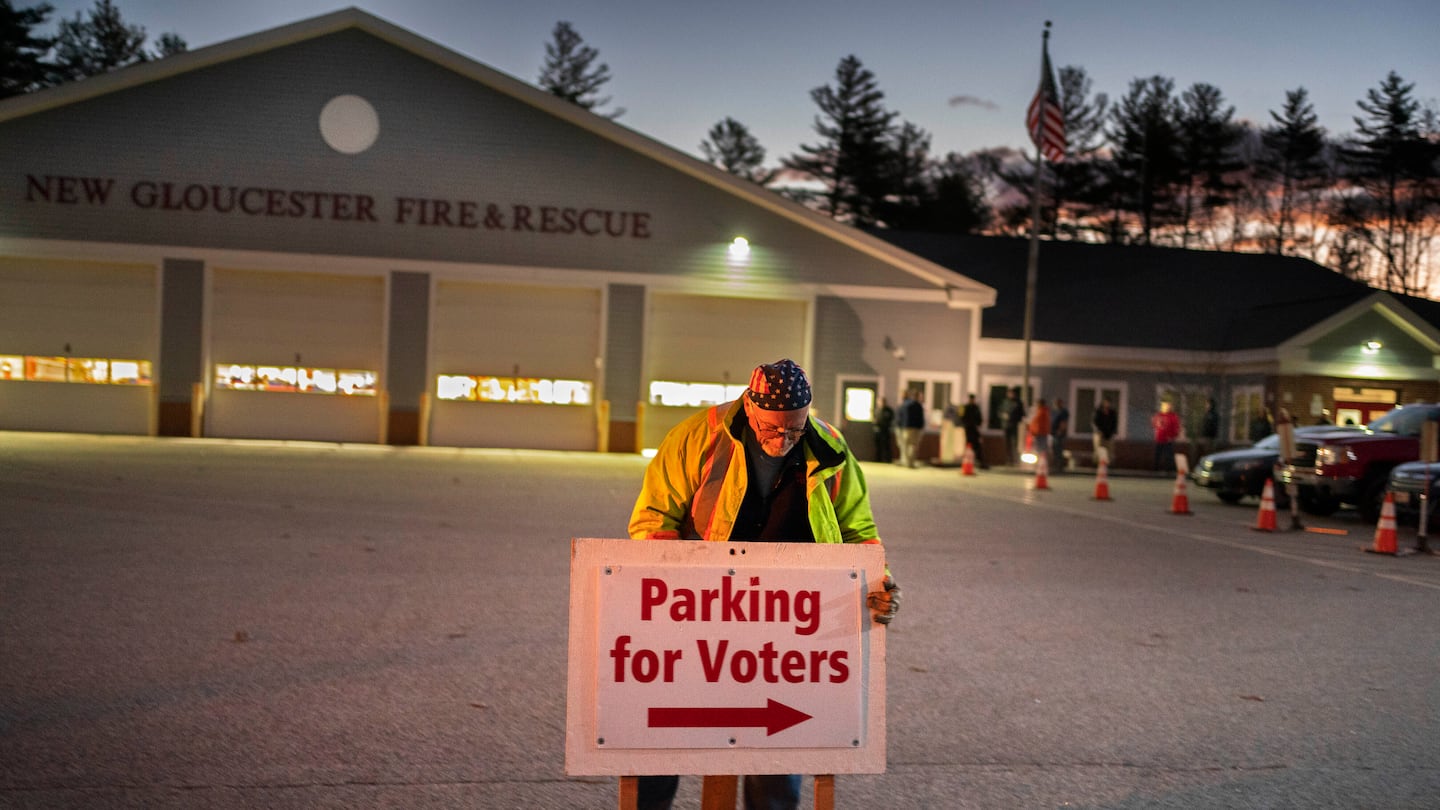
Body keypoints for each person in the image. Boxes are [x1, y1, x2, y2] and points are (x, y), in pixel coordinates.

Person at [628, 359, 901, 810]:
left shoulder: (829, 446)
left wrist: (881, 578)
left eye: (795, 430)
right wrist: (679, 588)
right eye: (773, 429)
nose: (784, 441)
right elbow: (653, 519)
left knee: (776, 744)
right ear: (750, 408)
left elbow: (858, 530)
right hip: (699, 608)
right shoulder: (698, 437)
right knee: (664, 733)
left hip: (784, 616)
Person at [897, 388, 926, 468]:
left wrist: (901, 426)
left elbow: (901, 417)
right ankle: (910, 462)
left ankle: (906, 461)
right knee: (913, 445)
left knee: (905, 445)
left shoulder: (905, 404)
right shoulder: (918, 406)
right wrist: (921, 427)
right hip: (915, 428)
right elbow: (921, 418)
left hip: (906, 428)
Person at [1152, 400, 1181, 472]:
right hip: (1159, 439)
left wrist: (1173, 436)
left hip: (1168, 439)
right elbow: (1154, 424)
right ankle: (1156, 469)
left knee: (1168, 456)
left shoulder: (1173, 416)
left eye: (1167, 405)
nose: (1165, 407)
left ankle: (1169, 470)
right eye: (1164, 405)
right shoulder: (1159, 415)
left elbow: (1176, 427)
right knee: (1157, 455)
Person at [960, 393, 988, 469]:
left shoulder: (976, 408)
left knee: (977, 446)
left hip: (974, 430)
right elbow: (962, 418)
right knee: (969, 446)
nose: (972, 400)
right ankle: (968, 462)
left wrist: (977, 424)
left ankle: (980, 462)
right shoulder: (965, 407)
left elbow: (979, 419)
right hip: (968, 430)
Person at [1003, 386, 1026, 465]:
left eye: (1012, 393)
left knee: (1015, 443)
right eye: (1009, 393)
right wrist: (1003, 416)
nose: (1010, 394)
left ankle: (1016, 460)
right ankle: (1008, 460)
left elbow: (1022, 414)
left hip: (1014, 425)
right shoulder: (1005, 402)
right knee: (1007, 443)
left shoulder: (1018, 402)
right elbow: (1000, 411)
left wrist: (1013, 417)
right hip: (1006, 426)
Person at [1092, 397, 1118, 466]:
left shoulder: (1112, 412)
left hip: (1109, 434)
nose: (1107, 404)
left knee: (1110, 450)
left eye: (1108, 403)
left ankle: (1109, 464)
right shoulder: (1098, 411)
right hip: (1099, 433)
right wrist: (1098, 431)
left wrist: (1112, 432)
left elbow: (1114, 423)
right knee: (1098, 448)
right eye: (1105, 403)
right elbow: (1094, 422)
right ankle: (1097, 463)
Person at [1028, 397, 1052, 464]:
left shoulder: (1043, 411)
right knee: (1039, 448)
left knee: (1041, 448)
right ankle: (1041, 462)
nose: (1037, 405)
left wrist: (1033, 430)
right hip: (1039, 432)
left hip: (1041, 433)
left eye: (1038, 403)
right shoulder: (1040, 411)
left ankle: (1042, 462)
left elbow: (1038, 423)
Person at [873, 396, 894, 463]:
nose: (881, 403)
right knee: (878, 446)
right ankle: (878, 459)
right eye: (880, 401)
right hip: (878, 430)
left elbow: (891, 419)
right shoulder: (876, 410)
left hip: (885, 430)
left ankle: (887, 459)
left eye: (883, 401)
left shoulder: (889, 411)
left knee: (886, 446)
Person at [1050, 397, 1069, 471]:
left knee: (1059, 449)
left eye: (1057, 403)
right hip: (1053, 433)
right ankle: (1055, 464)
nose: (1055, 404)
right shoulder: (1054, 411)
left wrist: (1060, 430)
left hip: (1059, 434)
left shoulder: (1063, 412)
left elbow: (1064, 422)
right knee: (1054, 449)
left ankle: (1059, 466)